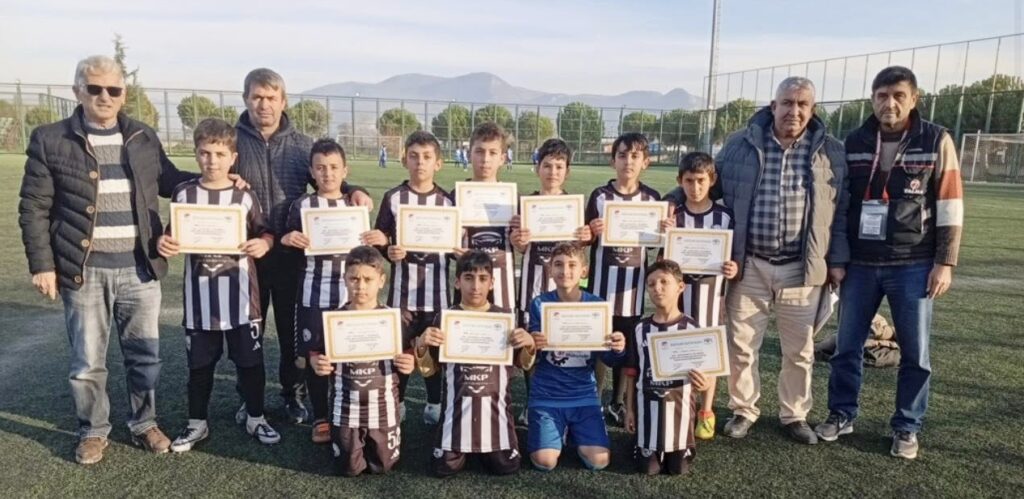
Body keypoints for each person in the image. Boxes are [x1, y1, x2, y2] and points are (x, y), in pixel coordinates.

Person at [18, 55, 214, 464]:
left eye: (113, 89)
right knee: (88, 361)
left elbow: (169, 181)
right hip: (84, 270)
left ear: (124, 94)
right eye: (95, 88)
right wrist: (42, 264)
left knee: (145, 355)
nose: (104, 96)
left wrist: (216, 181)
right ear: (78, 91)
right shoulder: (50, 138)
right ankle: (93, 430)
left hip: (140, 268)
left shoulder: (142, 135)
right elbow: (34, 206)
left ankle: (144, 422)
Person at [816, 66, 963, 460]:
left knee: (915, 354)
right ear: (872, 99)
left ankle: (906, 426)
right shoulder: (854, 141)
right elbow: (841, 205)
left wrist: (945, 262)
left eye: (899, 95)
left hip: (913, 263)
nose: (890, 103)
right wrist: (838, 259)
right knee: (846, 347)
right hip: (860, 264)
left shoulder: (936, 139)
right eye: (882, 95)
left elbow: (950, 203)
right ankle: (841, 414)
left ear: (914, 99)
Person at [713, 77, 849, 445]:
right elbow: (708, 186)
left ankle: (794, 414)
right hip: (749, 263)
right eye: (787, 103)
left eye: (802, 104)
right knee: (742, 345)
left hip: (801, 267)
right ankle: (744, 409)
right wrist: (666, 207)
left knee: (800, 350)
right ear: (773, 106)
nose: (794, 110)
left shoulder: (831, 151)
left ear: (812, 109)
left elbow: (841, 212)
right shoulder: (740, 144)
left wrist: (837, 260)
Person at [233, 68, 371, 425]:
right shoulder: (232, 143)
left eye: (271, 97)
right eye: (257, 97)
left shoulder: (301, 144)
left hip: (293, 256)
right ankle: (248, 397)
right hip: (247, 253)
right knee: (248, 332)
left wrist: (355, 189)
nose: (264, 104)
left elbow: (327, 175)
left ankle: (292, 394)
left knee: (291, 334)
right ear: (246, 98)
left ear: (283, 101)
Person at [158, 119, 280, 451]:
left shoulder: (244, 195)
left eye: (220, 154)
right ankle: (197, 423)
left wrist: (264, 244)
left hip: (241, 299)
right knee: (199, 366)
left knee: (250, 363)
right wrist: (164, 243)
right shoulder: (184, 193)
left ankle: (255, 417)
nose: (212, 161)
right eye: (205, 153)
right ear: (196, 153)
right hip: (201, 301)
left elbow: (264, 231)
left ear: (233, 157)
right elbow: (172, 234)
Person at [280, 139, 387, 443]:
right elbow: (287, 243)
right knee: (316, 356)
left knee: (351, 351)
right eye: (321, 168)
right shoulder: (302, 205)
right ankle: (321, 417)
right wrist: (288, 239)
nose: (327, 173)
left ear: (345, 171)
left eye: (333, 167)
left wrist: (377, 239)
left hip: (351, 295)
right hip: (314, 293)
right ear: (312, 172)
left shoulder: (355, 204)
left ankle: (349, 411)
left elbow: (367, 250)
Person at [415, 250, 537, 477]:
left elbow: (524, 364)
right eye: (469, 278)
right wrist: (422, 345)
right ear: (457, 282)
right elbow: (429, 369)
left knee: (507, 467)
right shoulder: (445, 318)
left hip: (495, 411)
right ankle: (458, 442)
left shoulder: (505, 318)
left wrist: (529, 345)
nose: (476, 286)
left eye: (482, 279)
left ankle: (494, 440)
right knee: (443, 468)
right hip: (456, 412)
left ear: (492, 283)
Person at [310, 246, 416, 476]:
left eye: (368, 279)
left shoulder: (394, 319)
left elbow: (409, 353)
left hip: (383, 406)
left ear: (381, 281)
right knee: (349, 468)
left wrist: (410, 362)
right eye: (354, 279)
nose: (361, 286)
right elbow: (315, 353)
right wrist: (317, 363)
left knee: (383, 465)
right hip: (345, 406)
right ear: (345, 279)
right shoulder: (332, 320)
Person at [510, 138, 592, 424]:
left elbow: (579, 250)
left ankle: (564, 399)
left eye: (559, 166)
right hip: (533, 286)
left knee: (562, 343)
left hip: (564, 289)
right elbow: (521, 248)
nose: (552, 172)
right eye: (547, 165)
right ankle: (532, 400)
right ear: (537, 168)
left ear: (567, 171)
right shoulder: (525, 205)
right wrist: (518, 240)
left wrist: (586, 238)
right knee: (531, 345)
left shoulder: (574, 207)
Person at [658, 152, 738, 440]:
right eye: (689, 181)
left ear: (712, 180)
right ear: (680, 181)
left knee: (708, 352)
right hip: (679, 297)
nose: (695, 187)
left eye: (701, 180)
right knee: (678, 347)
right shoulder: (674, 217)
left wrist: (733, 267)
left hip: (710, 296)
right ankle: (681, 406)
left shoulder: (724, 216)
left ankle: (706, 410)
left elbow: (733, 256)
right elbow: (662, 261)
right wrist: (664, 236)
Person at [583, 132, 662, 426]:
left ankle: (616, 402)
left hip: (632, 290)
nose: (628, 161)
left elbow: (652, 246)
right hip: (601, 289)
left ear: (645, 162)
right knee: (599, 345)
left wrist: (663, 231)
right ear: (613, 160)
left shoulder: (652, 198)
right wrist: (590, 231)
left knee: (625, 348)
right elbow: (585, 239)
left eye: (635, 156)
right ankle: (594, 400)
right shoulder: (600, 196)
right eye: (622, 155)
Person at [375, 131, 453, 424]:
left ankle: (433, 403)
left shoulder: (447, 202)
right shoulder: (394, 198)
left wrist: (458, 250)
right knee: (401, 350)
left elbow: (456, 246)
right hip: (402, 295)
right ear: (404, 160)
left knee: (433, 352)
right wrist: (388, 249)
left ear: (438, 163)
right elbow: (380, 237)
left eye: (427, 157)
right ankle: (399, 401)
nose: (420, 162)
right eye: (414, 156)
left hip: (437, 294)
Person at [526, 243, 626, 471]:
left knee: (599, 461)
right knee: (545, 462)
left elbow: (609, 360)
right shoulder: (539, 304)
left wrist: (617, 348)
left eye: (572, 265)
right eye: (558, 265)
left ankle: (571, 430)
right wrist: (533, 344)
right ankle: (556, 428)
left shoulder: (597, 305)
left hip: (583, 394)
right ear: (550, 270)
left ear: (584, 271)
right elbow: (531, 358)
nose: (565, 271)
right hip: (547, 394)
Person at [622, 260, 711, 476]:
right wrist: (630, 410)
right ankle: (642, 441)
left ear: (680, 287)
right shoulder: (640, 328)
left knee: (678, 469)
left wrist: (704, 386)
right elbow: (632, 373)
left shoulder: (693, 328)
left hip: (680, 413)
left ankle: (682, 445)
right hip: (647, 409)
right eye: (651, 284)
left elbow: (707, 373)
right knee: (649, 469)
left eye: (664, 282)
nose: (657, 288)